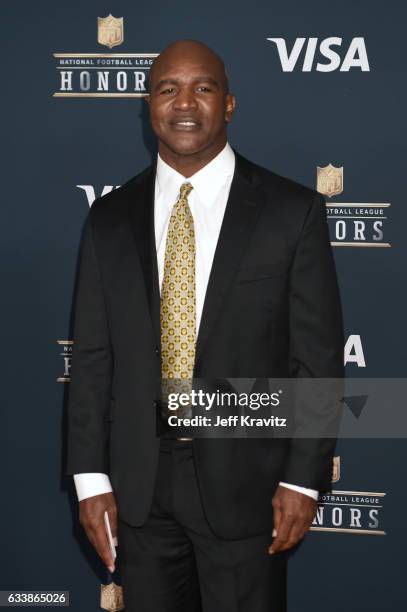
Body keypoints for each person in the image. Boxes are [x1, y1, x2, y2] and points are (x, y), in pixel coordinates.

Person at [66, 39, 344, 612]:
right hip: (138, 492)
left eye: (203, 87)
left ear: (230, 104)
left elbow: (316, 361)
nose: (184, 102)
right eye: (168, 89)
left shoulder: (292, 213)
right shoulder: (110, 218)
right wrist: (90, 478)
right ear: (149, 106)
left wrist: (303, 479)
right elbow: (93, 358)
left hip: (249, 489)